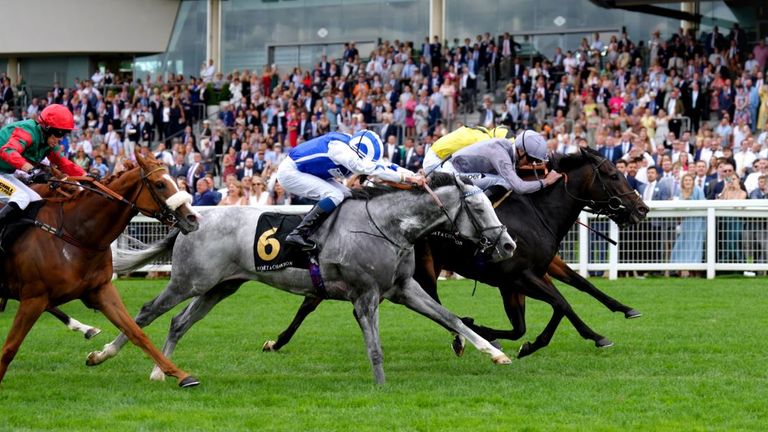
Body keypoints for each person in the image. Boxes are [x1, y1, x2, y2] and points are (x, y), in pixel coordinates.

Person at [276, 130, 424, 250]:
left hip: (309, 171)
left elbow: (385, 165)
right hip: (291, 172)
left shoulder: (356, 147)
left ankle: (333, 232)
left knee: (347, 194)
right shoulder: (341, 151)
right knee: (334, 195)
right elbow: (371, 169)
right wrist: (408, 179)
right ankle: (298, 233)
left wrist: (414, 175)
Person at [0, 104, 86, 233]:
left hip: (5, 173)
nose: (59, 139)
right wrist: (31, 170)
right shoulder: (27, 131)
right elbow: (7, 150)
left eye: (63, 134)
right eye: (58, 133)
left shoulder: (48, 143)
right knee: (21, 197)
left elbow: (64, 163)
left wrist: (88, 176)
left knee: (36, 200)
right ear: (46, 128)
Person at [437, 129, 562, 201]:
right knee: (505, 183)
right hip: (452, 173)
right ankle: (481, 211)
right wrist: (545, 182)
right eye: (531, 158)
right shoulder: (501, 155)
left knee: (504, 181)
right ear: (521, 151)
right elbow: (519, 187)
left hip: (461, 171)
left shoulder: (508, 150)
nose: (531, 163)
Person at [669, 173, 706, 276]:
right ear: (682, 182)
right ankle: (678, 267)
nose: (688, 182)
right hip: (684, 222)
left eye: (689, 180)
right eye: (686, 180)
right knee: (681, 244)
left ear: (693, 181)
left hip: (697, 222)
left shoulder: (698, 190)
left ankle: (694, 268)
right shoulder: (679, 191)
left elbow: (703, 203)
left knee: (695, 244)